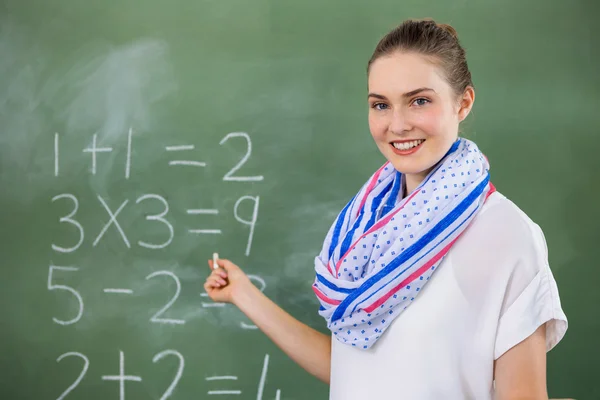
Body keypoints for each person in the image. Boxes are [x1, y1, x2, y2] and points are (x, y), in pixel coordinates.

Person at [203, 18, 568, 400]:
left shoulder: (505, 234)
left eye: (419, 101)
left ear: (463, 103)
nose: (397, 125)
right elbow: (355, 370)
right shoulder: (364, 231)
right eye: (380, 105)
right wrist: (244, 294)